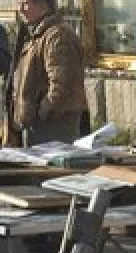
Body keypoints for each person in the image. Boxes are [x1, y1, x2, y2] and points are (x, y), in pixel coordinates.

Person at [4, 0, 87, 147]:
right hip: (34, 125)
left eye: (26, 3)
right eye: (19, 3)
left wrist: (41, 112)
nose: (21, 9)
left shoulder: (58, 36)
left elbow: (62, 84)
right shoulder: (37, 34)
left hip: (53, 126)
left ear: (43, 5)